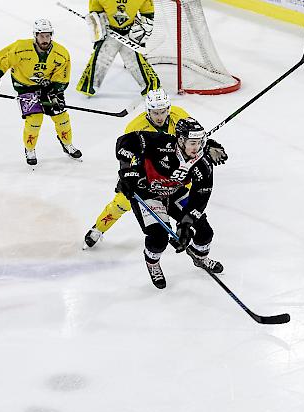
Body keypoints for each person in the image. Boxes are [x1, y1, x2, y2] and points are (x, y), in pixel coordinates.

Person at [83, 88, 228, 249]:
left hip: (176, 176)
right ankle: (98, 228)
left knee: (186, 206)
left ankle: (184, 234)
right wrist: (128, 177)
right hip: (146, 176)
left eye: (163, 112)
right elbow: (130, 157)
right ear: (148, 111)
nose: (159, 117)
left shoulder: (179, 114)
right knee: (122, 203)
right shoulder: (136, 127)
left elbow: (192, 137)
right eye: (155, 113)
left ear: (169, 108)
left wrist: (208, 145)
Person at [115, 117, 224, 289]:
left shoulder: (202, 163)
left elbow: (201, 194)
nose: (197, 148)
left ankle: (199, 257)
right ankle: (152, 262)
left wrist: (186, 223)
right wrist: (127, 173)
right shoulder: (162, 143)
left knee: (204, 232)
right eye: (192, 143)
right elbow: (125, 142)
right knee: (159, 238)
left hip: (174, 193)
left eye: (200, 142)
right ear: (181, 139)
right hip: (147, 191)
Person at [0, 19, 82, 166]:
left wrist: (54, 92)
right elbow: (2, 60)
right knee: (34, 119)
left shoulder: (61, 53)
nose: (45, 39)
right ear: (35, 35)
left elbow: (62, 76)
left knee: (61, 116)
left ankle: (67, 144)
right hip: (24, 87)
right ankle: (30, 148)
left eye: (48, 36)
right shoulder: (20, 48)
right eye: (42, 36)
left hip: (47, 88)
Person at [76, 0, 160, 97]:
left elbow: (148, 14)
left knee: (135, 62)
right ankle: (89, 87)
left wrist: (142, 31)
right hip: (109, 32)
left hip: (130, 32)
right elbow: (96, 13)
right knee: (101, 59)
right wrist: (99, 26)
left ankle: (151, 87)